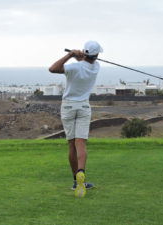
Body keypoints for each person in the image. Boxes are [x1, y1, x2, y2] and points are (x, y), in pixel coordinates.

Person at [49, 40, 103, 197]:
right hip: (84, 107)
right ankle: (81, 173)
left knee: (71, 144)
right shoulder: (96, 67)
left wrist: (70, 54)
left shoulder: (74, 67)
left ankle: (75, 181)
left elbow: (52, 69)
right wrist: (78, 56)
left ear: (85, 52)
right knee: (81, 143)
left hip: (68, 106)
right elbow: (85, 63)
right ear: (97, 55)